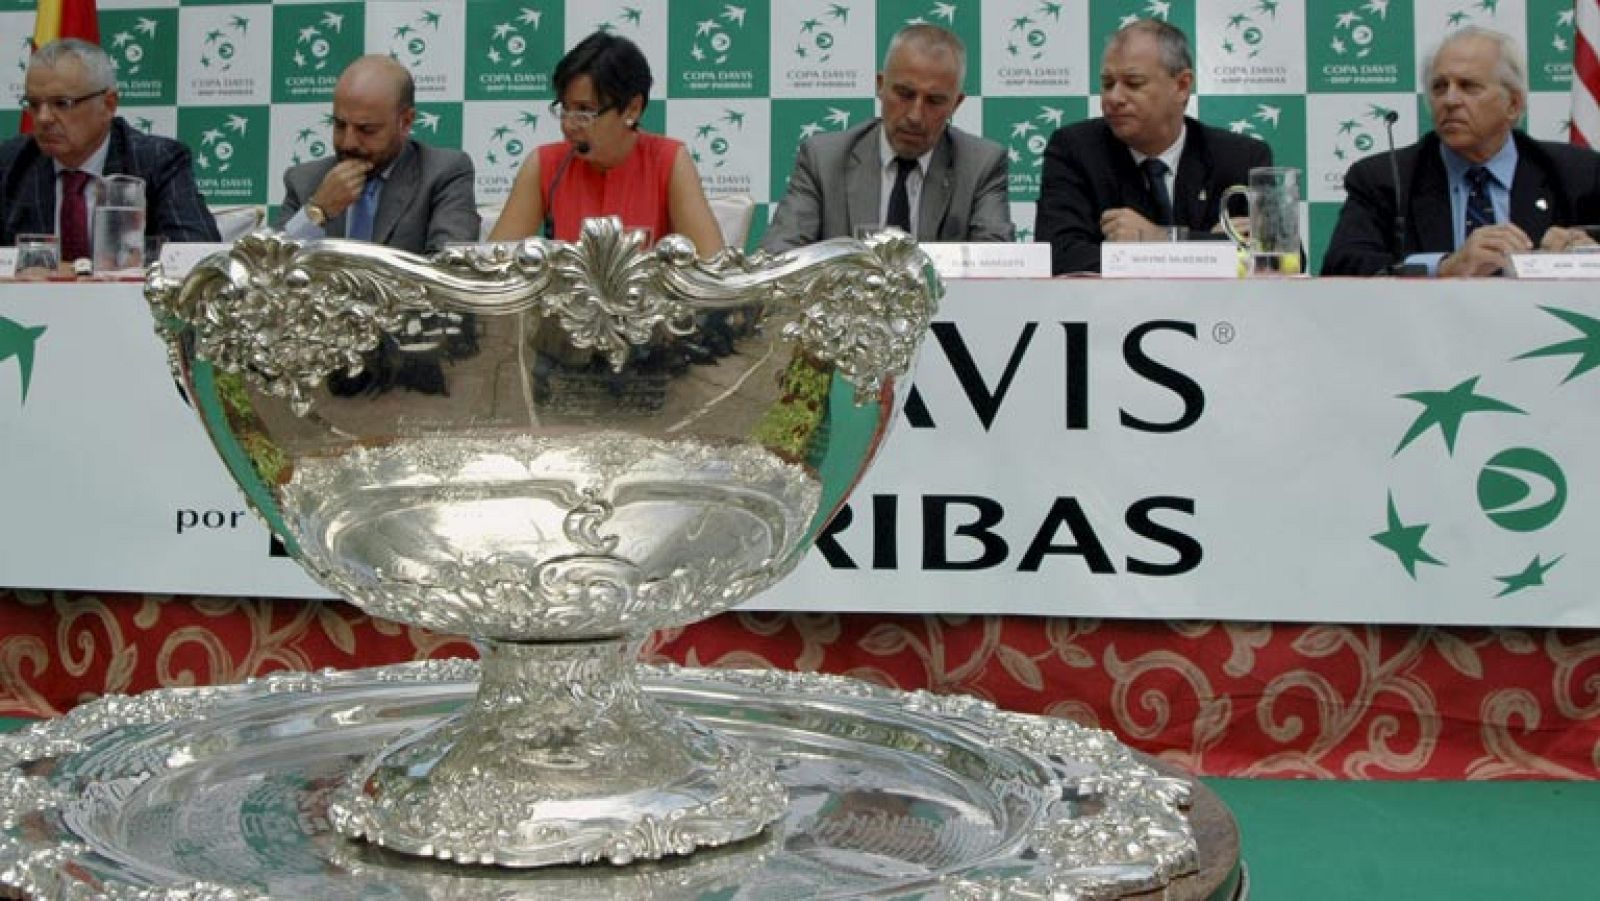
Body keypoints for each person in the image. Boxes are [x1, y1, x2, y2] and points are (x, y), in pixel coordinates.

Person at [1322, 27, 1600, 277]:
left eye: (1469, 86)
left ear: (1513, 105)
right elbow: (1342, 266)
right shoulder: (1385, 178)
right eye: (1439, 87)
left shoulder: (1577, 174)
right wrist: (1443, 267)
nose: (1450, 100)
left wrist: (1587, 255)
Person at [1034, 20, 1271, 275]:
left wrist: (1163, 240)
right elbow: (1057, 257)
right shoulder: (1076, 149)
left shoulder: (1241, 157)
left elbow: (1280, 259)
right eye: (1107, 84)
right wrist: (1210, 246)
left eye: (1133, 83)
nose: (1114, 98)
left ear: (1181, 85)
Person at [762, 23, 1014, 252]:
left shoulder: (981, 165)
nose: (915, 115)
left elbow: (994, 264)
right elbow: (779, 258)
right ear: (880, 86)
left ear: (956, 104)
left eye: (934, 101)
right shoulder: (824, 159)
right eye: (904, 94)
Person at [490, 32, 723, 256]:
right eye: (565, 109)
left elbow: (711, 266)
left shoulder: (669, 161)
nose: (568, 126)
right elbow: (497, 264)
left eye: (584, 111)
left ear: (632, 109)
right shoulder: (546, 164)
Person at [0, 38, 219, 256]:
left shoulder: (158, 162)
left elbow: (195, 256)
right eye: (34, 104)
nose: (43, 118)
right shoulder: (10, 164)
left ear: (108, 105)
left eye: (62, 104)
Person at [278, 55, 480, 254]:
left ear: (406, 122)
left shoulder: (443, 173)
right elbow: (267, 268)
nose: (348, 143)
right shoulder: (304, 180)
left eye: (366, 130)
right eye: (340, 125)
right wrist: (318, 211)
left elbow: (450, 268)